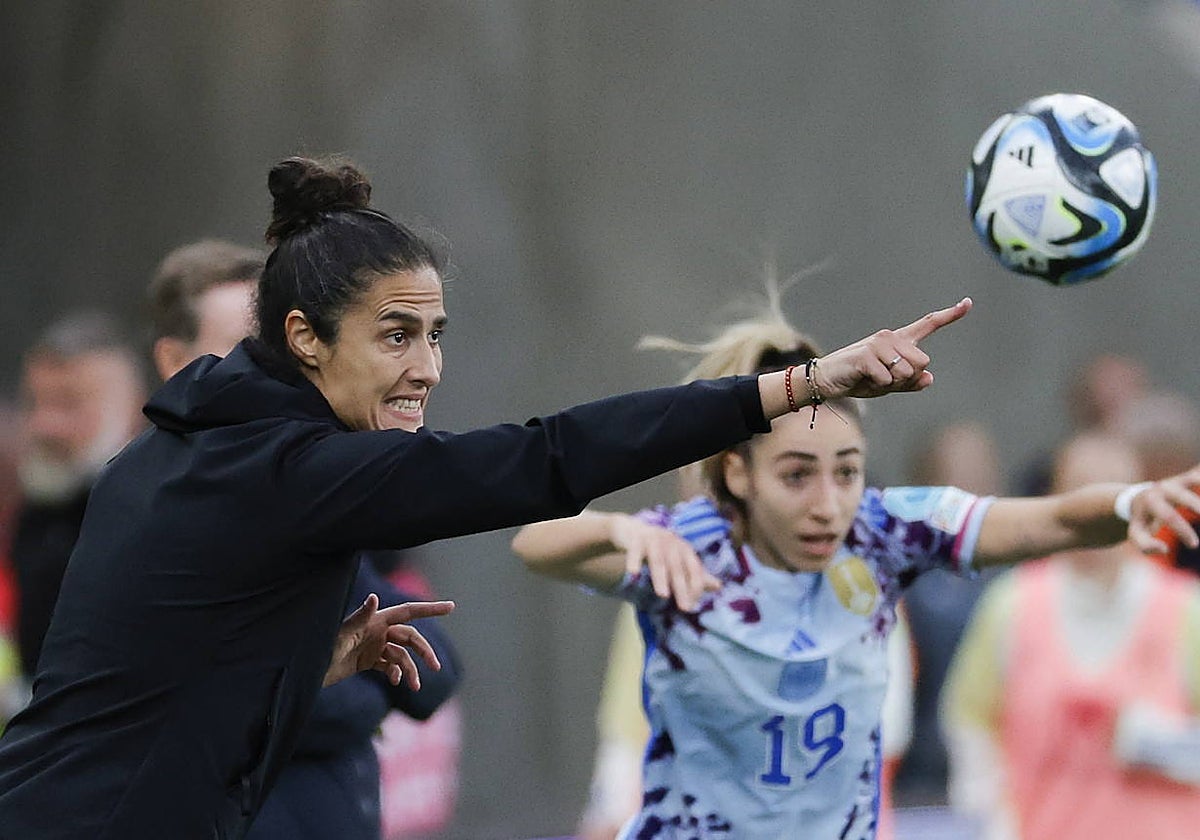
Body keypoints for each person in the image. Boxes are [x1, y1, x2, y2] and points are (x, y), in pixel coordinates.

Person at [0, 155, 969, 839]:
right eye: (396, 335)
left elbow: (153, 682)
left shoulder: (180, 449)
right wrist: (801, 385)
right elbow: (547, 458)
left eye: (436, 334)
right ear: (303, 338)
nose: (427, 367)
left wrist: (302, 662)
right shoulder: (297, 472)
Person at [510, 306, 1200, 840]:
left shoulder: (884, 532)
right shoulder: (686, 547)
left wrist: (1128, 503)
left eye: (846, 473)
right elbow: (534, 542)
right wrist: (616, 529)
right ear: (738, 473)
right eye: (797, 476)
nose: (828, 504)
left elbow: (1045, 521)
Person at [146, 238, 463, 840]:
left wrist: (325, 683)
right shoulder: (155, 509)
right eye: (241, 352)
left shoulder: (303, 491)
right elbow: (207, 707)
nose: (273, 373)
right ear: (173, 361)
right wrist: (357, 691)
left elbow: (434, 674)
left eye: (278, 352)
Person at [941, 432, 1200, 840]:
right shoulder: (1012, 603)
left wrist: (1157, 743)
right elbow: (969, 725)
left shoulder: (1186, 609)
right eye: (1084, 492)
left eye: (1118, 495)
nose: (1103, 513)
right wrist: (991, 816)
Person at [10, 311, 147, 678]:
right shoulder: (36, 513)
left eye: (68, 403)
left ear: (131, 407)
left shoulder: (159, 514)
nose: (44, 425)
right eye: (34, 403)